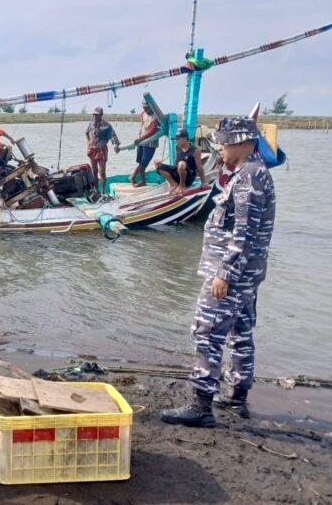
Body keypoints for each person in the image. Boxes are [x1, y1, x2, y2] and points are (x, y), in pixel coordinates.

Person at [161, 117, 276, 427]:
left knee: (207, 333)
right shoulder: (252, 172)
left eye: (223, 143)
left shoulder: (249, 177)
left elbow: (245, 231)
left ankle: (200, 405)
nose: (219, 148)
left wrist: (224, 272)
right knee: (240, 334)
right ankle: (237, 398)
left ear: (242, 142)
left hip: (231, 273)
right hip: (247, 273)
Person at [156, 129, 207, 194]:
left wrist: (203, 182)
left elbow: (200, 168)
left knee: (181, 164)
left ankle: (182, 186)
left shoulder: (195, 150)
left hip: (189, 177)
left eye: (177, 139)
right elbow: (176, 162)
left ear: (184, 139)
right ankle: (174, 184)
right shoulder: (177, 147)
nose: (176, 141)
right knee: (159, 167)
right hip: (179, 172)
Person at [85, 107, 121, 194]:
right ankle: (96, 190)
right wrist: (88, 142)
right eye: (93, 114)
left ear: (101, 115)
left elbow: (113, 136)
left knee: (102, 172)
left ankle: (102, 192)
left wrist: (116, 145)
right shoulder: (91, 124)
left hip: (101, 150)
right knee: (94, 171)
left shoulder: (106, 125)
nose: (94, 116)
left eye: (96, 115)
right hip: (92, 149)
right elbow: (86, 132)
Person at [130, 99, 160, 187]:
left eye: (146, 107)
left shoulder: (156, 116)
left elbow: (152, 130)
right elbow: (142, 126)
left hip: (150, 142)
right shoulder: (142, 114)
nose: (145, 109)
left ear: (151, 106)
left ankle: (132, 176)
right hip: (141, 141)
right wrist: (139, 138)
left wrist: (141, 139)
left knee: (144, 163)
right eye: (143, 107)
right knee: (141, 163)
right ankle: (142, 181)